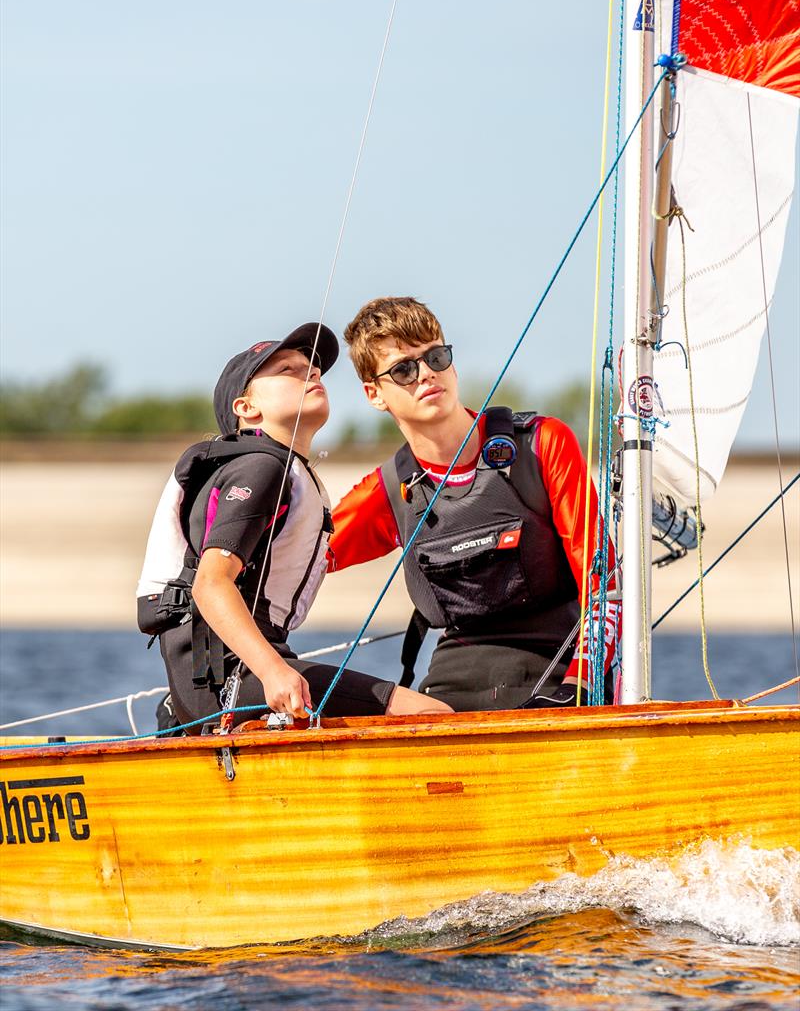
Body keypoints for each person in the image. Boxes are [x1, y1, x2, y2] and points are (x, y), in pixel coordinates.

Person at [137, 322, 451, 732]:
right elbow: (210, 584)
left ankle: (181, 718)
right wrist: (273, 673)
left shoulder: (280, 469)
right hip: (226, 679)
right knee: (431, 717)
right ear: (246, 409)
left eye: (314, 369)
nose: (312, 374)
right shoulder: (262, 467)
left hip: (229, 673)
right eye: (288, 370)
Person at [328, 298, 621, 711]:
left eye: (436, 356)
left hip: (558, 673)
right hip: (453, 687)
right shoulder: (387, 492)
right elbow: (293, 561)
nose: (427, 374)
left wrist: (578, 686)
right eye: (404, 369)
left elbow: (604, 588)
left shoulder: (542, 445)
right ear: (374, 394)